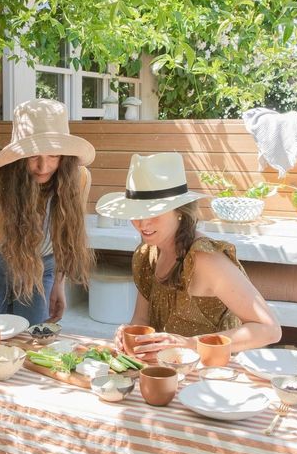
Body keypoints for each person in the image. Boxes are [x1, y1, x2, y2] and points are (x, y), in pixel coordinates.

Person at [95, 152, 281, 358]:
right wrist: (131, 335)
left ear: (179, 211)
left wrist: (189, 344)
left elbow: (269, 330)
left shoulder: (205, 259)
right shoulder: (147, 254)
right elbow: (141, 320)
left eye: (153, 212)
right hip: (168, 370)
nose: (142, 223)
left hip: (212, 371)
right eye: (136, 212)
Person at [0, 99, 95, 359]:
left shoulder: (78, 179)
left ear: (65, 156)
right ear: (19, 155)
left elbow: (64, 235)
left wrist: (58, 283)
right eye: (33, 155)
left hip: (41, 269)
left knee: (33, 349)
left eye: (53, 156)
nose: (43, 167)